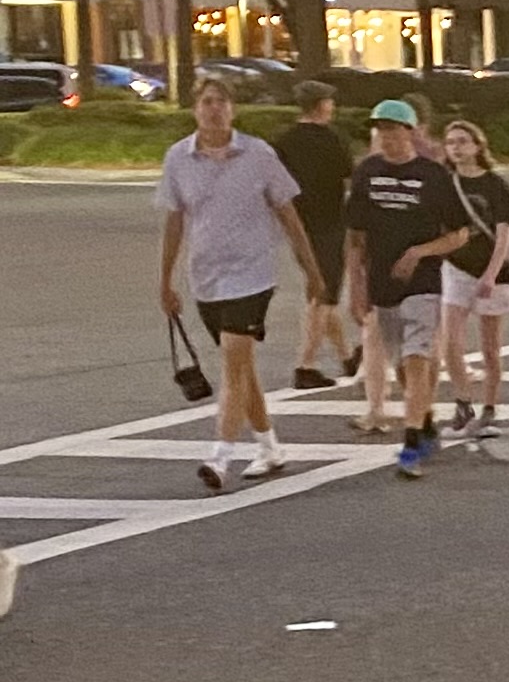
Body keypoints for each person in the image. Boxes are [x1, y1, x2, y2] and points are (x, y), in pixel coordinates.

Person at [156, 71, 327, 493]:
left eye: (222, 102)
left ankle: (219, 457)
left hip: (252, 275)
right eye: (207, 102)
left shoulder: (258, 154)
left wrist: (311, 270)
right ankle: (269, 447)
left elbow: (288, 214)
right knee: (242, 365)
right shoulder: (178, 158)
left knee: (233, 363)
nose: (214, 109)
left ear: (233, 109)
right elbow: (175, 222)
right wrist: (165, 281)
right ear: (195, 110)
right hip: (206, 277)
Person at [343, 98, 470, 478]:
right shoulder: (367, 172)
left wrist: (420, 252)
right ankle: (425, 419)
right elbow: (355, 238)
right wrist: (356, 285)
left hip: (423, 282)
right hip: (382, 282)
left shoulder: (433, 176)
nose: (386, 136)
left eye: (393, 129)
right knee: (401, 365)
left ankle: (411, 446)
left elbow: (459, 234)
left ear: (410, 132)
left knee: (417, 359)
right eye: (380, 129)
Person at [436, 115, 509, 433]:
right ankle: (462, 403)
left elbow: (504, 233)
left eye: (462, 142)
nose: (456, 148)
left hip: (491, 271)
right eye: (450, 143)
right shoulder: (445, 183)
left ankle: (490, 407)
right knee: (450, 341)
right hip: (456, 268)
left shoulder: (494, 184)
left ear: (477, 146)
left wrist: (491, 274)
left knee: (490, 348)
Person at [273, 81, 361, 387]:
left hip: (298, 224)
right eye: (329, 102)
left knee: (319, 289)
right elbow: (350, 179)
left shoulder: (284, 141)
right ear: (321, 105)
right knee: (325, 292)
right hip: (330, 222)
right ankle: (306, 365)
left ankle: (347, 356)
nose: (332, 107)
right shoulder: (332, 139)